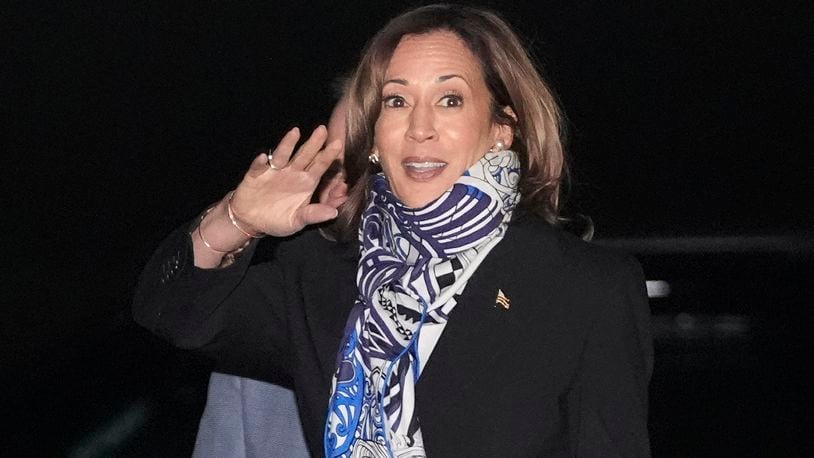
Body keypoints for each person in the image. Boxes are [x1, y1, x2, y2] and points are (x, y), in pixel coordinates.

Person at [133, 4, 653, 457]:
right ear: (375, 137)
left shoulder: (586, 288)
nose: (419, 126)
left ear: (503, 127)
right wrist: (237, 220)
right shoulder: (323, 277)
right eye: (396, 101)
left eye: (450, 100)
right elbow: (172, 313)